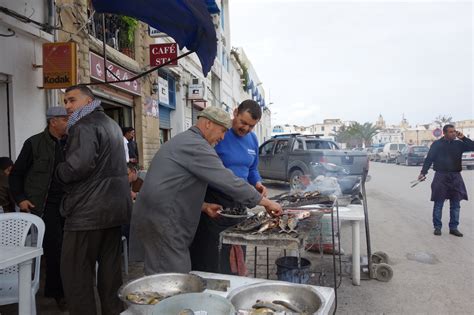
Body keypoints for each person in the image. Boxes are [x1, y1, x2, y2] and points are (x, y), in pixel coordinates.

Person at [131, 106, 282, 275]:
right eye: (222, 131)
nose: (223, 137)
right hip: (163, 220)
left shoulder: (186, 140)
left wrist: (203, 206)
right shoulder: (197, 146)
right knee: (172, 277)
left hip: (158, 215)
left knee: (162, 271)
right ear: (209, 124)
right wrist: (266, 203)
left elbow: (176, 187)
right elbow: (228, 180)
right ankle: (168, 301)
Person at [56, 85, 131, 315]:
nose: (67, 106)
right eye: (65, 101)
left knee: (76, 276)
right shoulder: (112, 124)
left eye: (72, 100)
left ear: (88, 101)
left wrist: (59, 170)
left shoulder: (83, 125)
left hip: (87, 213)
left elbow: (78, 166)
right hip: (113, 210)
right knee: (110, 274)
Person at [190, 100, 267, 275]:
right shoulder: (219, 135)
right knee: (211, 255)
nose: (246, 129)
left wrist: (257, 182)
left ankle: (232, 285)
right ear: (235, 113)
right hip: (214, 201)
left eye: (251, 126)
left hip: (239, 203)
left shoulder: (252, 140)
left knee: (235, 251)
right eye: (243, 122)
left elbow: (252, 168)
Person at [8, 107, 69, 308]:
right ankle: (57, 292)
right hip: (44, 205)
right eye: (64, 119)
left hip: (69, 204)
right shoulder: (34, 143)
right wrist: (20, 198)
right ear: (53, 122)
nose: (68, 123)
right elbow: (16, 174)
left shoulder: (71, 143)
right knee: (55, 248)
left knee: (68, 248)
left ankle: (63, 287)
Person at [418, 124, 474, 237]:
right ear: (444, 133)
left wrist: (463, 137)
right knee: (438, 203)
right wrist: (423, 173)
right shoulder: (437, 144)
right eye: (451, 132)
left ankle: (454, 228)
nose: (454, 133)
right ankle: (437, 227)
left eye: (454, 131)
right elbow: (429, 159)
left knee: (456, 204)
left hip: (456, 176)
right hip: (441, 176)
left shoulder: (459, 144)